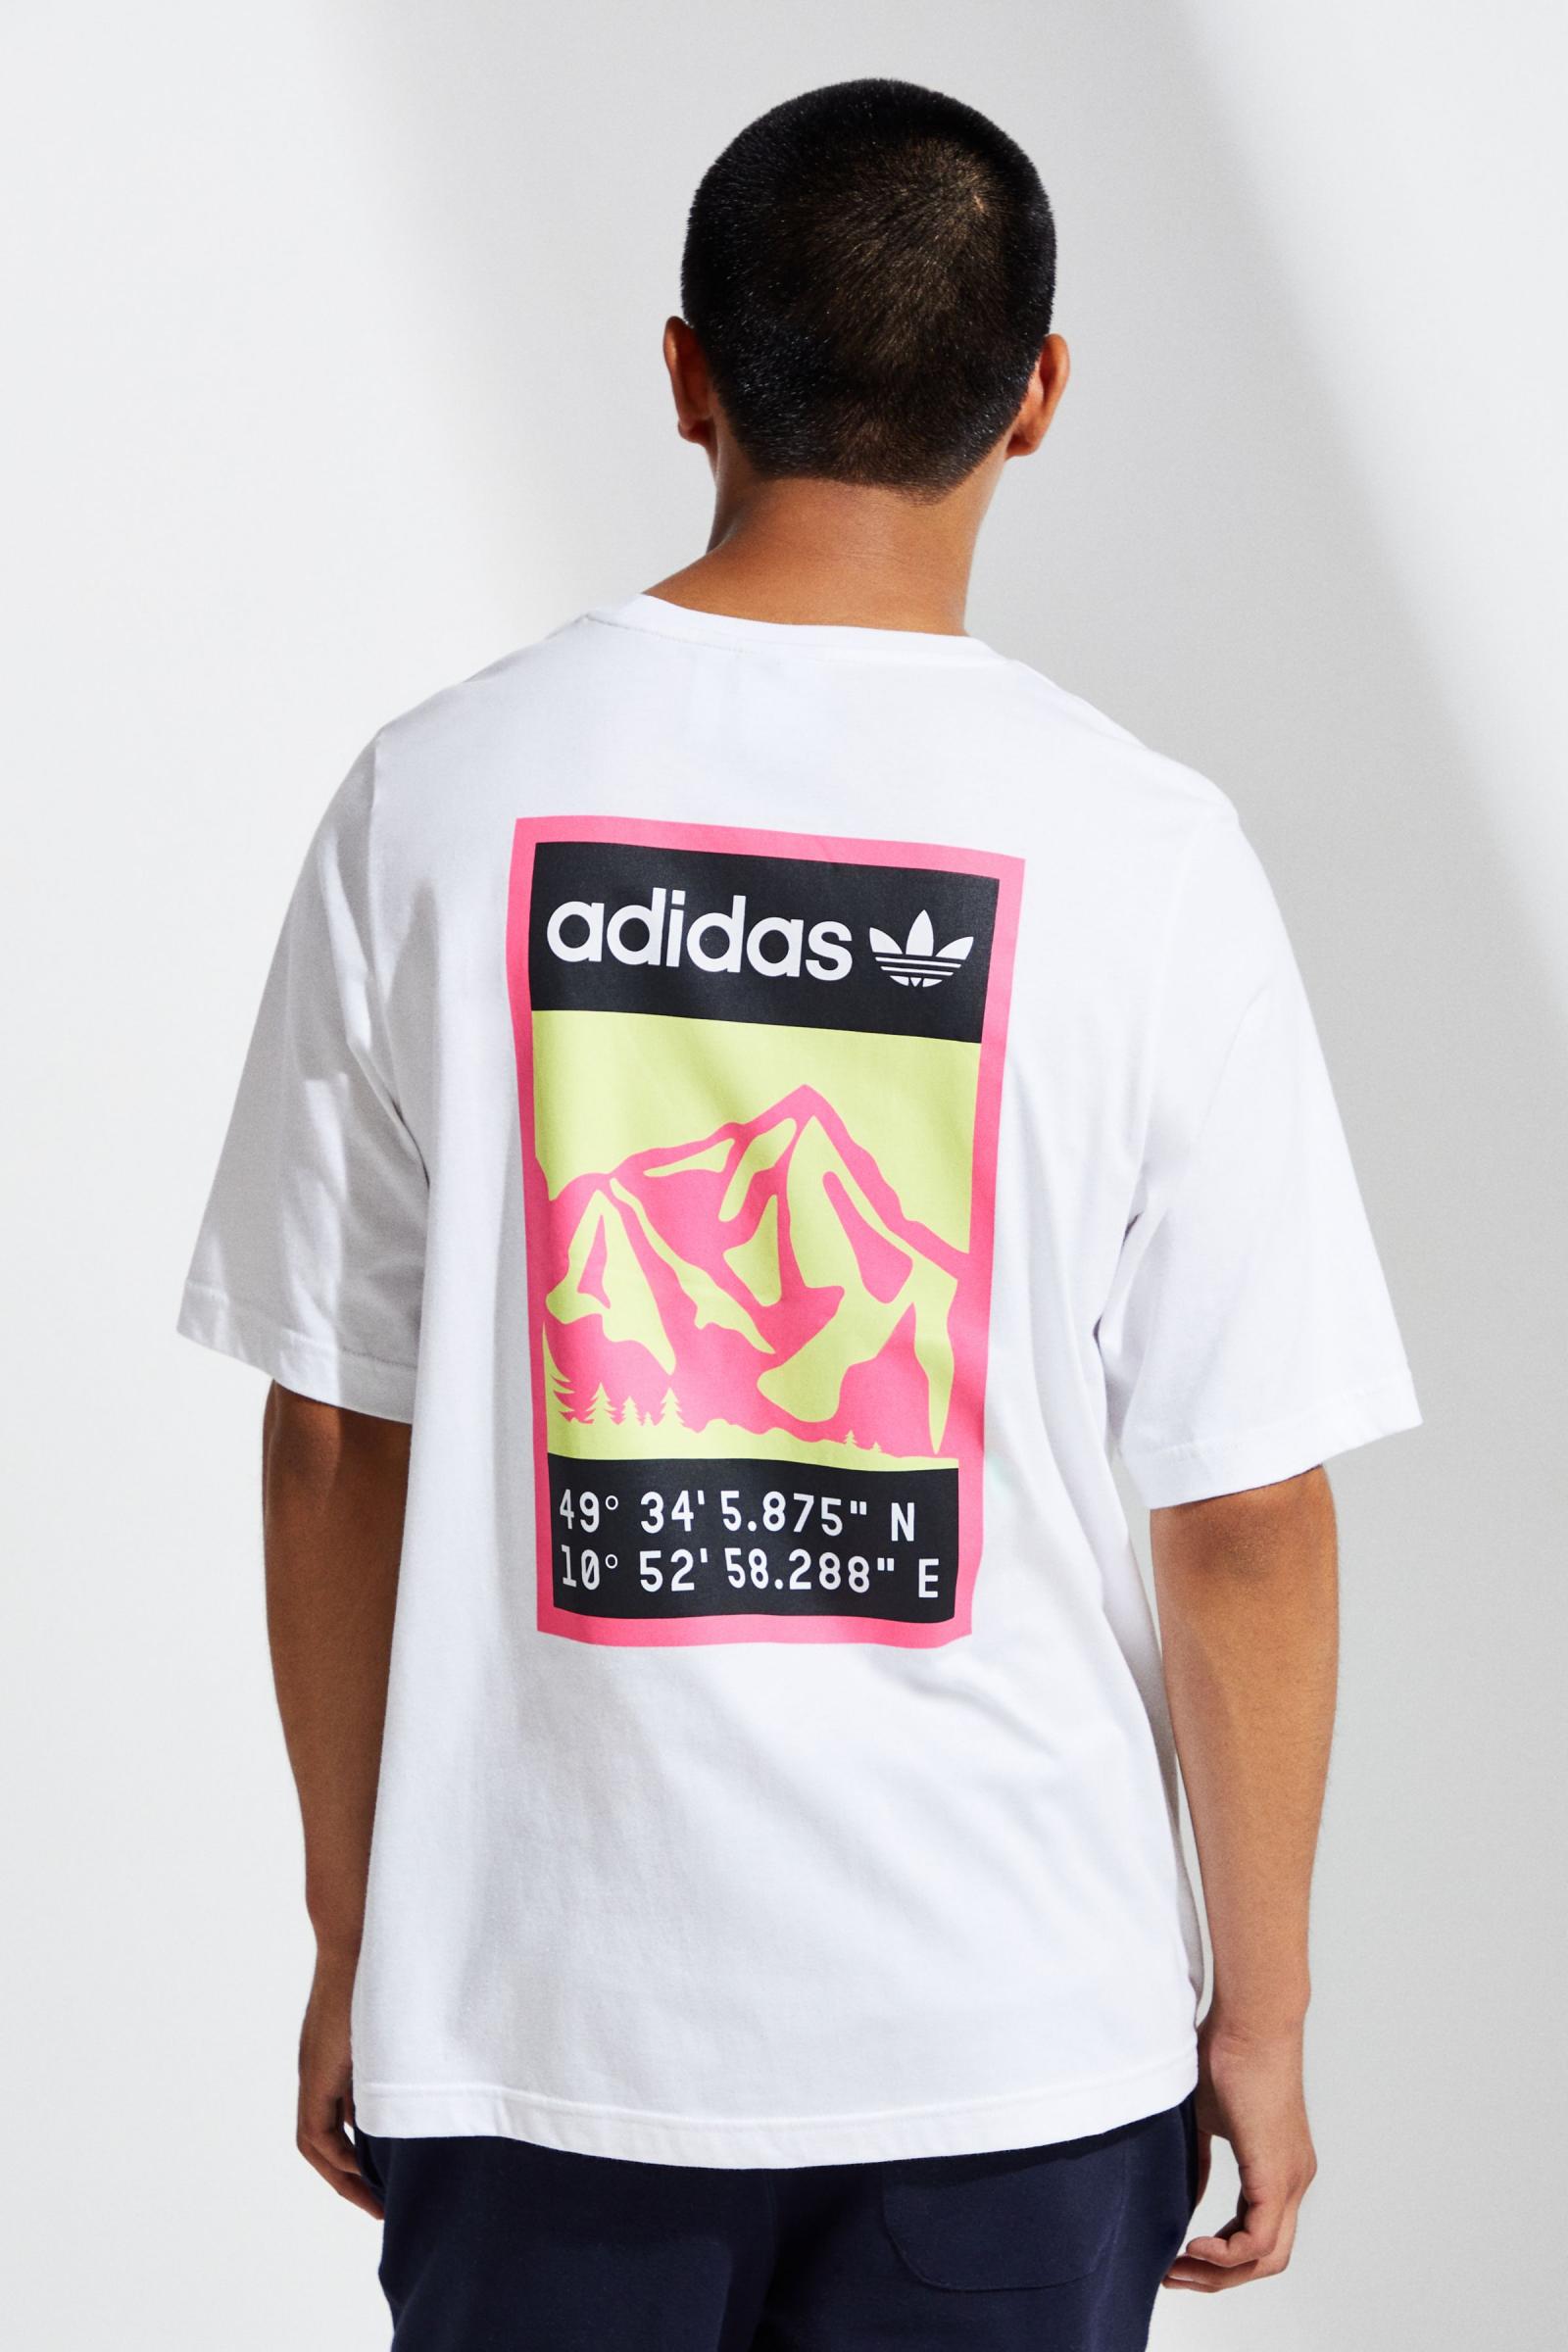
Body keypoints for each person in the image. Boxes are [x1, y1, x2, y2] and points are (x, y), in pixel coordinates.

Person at [179, 77, 1419, 2352]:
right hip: (1008, 2035)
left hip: (539, 2027)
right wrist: (1260, 2008)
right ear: (1033, 395)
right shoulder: (1141, 853)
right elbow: (1241, 1510)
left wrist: (359, 1937)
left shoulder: (434, 798)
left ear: (685, 375)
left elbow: (335, 1436)